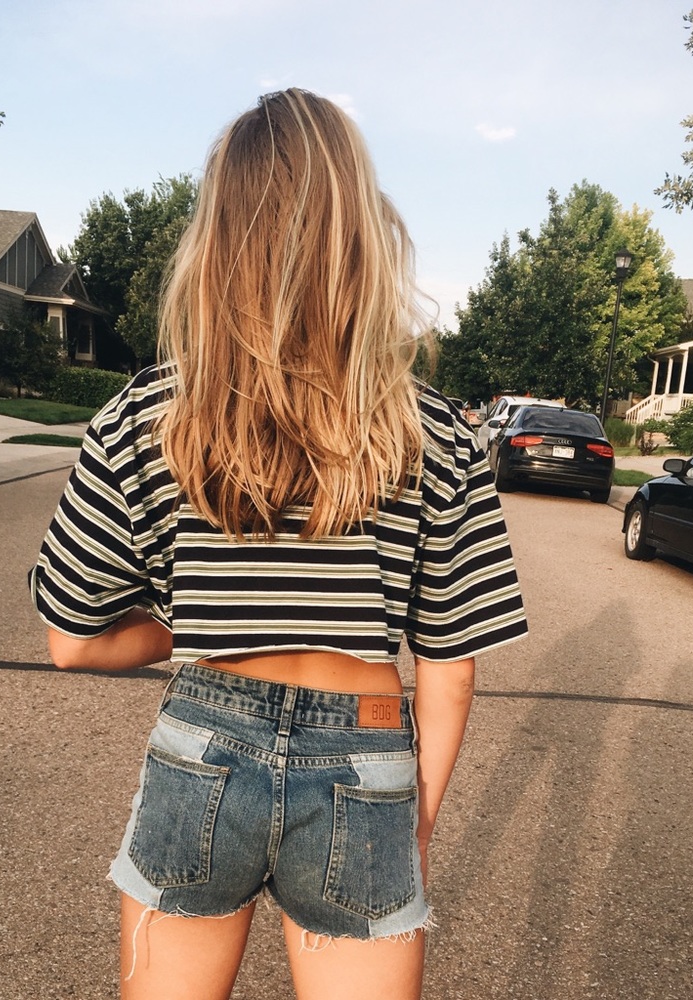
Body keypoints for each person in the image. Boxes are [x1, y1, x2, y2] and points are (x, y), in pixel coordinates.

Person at [29, 88, 527, 1000]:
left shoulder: (147, 416)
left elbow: (72, 640)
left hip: (200, 748)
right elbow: (450, 667)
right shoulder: (439, 434)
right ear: (360, 237)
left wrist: (199, 624)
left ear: (215, 240)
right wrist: (409, 826)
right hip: (368, 760)